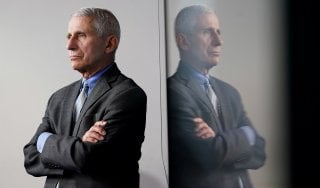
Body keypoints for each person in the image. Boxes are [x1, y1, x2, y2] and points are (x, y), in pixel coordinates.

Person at [23, 7, 147, 188]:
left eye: (80, 35)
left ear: (109, 44)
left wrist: (45, 141)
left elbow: (88, 157)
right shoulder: (58, 98)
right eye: (68, 36)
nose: (69, 45)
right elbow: (30, 156)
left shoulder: (127, 95)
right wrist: (78, 146)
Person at [167, 5, 266, 188]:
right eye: (207, 32)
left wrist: (220, 143)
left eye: (218, 32)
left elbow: (260, 152)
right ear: (183, 41)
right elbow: (208, 154)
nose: (218, 41)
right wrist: (247, 134)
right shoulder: (172, 92)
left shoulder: (230, 92)